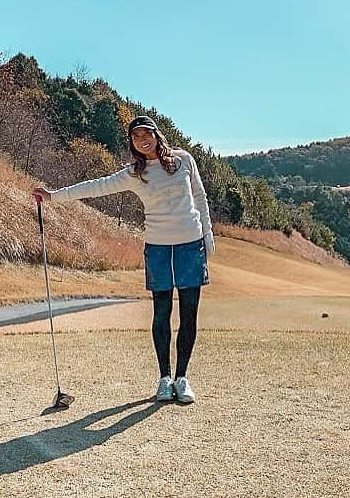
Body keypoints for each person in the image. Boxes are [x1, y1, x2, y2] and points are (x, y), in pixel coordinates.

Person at [32, 115, 214, 405]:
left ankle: (182, 377)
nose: (142, 139)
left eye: (146, 133)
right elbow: (95, 186)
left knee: (189, 313)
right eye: (135, 136)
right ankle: (165, 379)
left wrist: (207, 234)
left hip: (190, 245)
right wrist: (53, 197)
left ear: (157, 134)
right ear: (132, 143)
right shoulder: (134, 173)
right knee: (161, 312)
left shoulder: (184, 160)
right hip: (158, 247)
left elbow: (200, 198)